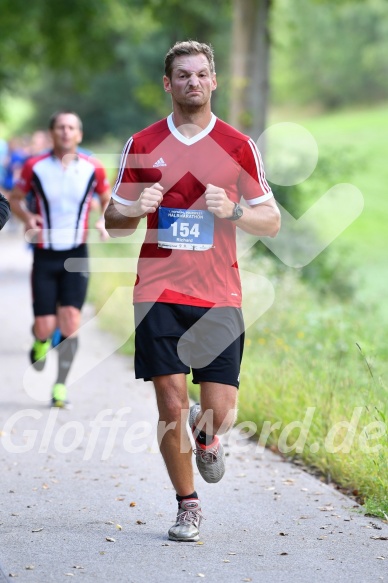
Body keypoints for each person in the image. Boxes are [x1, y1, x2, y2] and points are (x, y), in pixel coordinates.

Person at [104, 40, 280, 542]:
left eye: (201, 74)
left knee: (218, 410)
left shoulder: (238, 145)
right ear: (168, 83)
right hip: (157, 291)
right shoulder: (142, 143)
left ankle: (208, 440)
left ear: (214, 81)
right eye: (182, 75)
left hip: (219, 294)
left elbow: (271, 222)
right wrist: (136, 209)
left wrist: (235, 211)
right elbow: (112, 222)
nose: (192, 83)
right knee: (171, 404)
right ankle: (187, 505)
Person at [10, 111, 111, 408]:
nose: (66, 132)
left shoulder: (93, 167)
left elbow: (106, 199)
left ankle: (60, 386)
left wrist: (103, 220)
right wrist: (28, 217)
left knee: (70, 322)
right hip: (45, 254)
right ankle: (40, 342)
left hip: (76, 253)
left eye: (71, 128)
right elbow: (15, 199)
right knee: (44, 325)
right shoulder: (34, 166)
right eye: (60, 127)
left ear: (79, 134)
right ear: (52, 133)